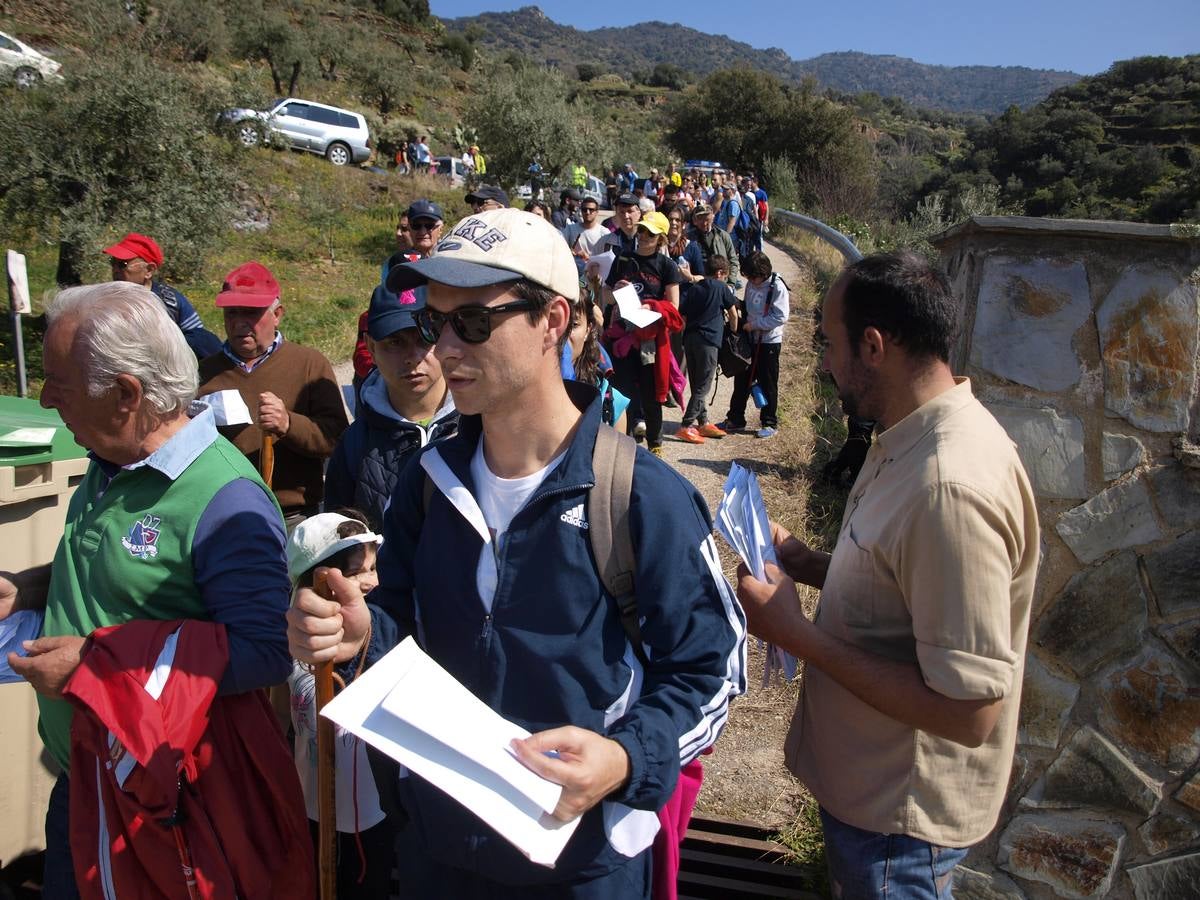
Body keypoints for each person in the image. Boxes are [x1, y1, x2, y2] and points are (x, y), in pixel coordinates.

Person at [287, 207, 746, 899]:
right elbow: (401, 636)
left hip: (584, 865)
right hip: (436, 850)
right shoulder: (428, 484)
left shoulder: (640, 496)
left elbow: (711, 670)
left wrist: (624, 759)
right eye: (431, 323)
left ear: (552, 321)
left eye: (471, 323)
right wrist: (356, 636)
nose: (442, 348)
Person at [736, 252, 1039, 900]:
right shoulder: (910, 437)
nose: (822, 364)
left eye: (830, 344)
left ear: (873, 346)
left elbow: (969, 713)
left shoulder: (948, 485)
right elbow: (904, 584)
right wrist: (810, 563)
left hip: (897, 836)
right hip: (875, 809)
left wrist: (793, 633)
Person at [2, 282, 303, 898]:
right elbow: (117, 576)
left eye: (59, 380)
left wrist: (97, 669)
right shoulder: (111, 454)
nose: (44, 396)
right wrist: (27, 589)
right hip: (84, 781)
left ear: (125, 395)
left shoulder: (224, 500)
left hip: (159, 811)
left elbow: (265, 649)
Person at [285, 510, 395, 897]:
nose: (373, 580)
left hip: (367, 812)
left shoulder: (378, 627)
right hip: (307, 799)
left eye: (374, 567)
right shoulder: (289, 633)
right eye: (357, 571)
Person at [198, 261, 348, 527]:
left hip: (294, 517)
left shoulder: (309, 364)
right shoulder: (204, 372)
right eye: (231, 313)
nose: (239, 323)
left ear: (277, 314)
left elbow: (336, 440)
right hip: (223, 515)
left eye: (251, 313)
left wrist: (288, 424)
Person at [325, 288, 458, 531]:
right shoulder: (354, 445)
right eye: (395, 342)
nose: (412, 357)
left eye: (424, 338)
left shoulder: (484, 424)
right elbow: (339, 544)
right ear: (371, 348)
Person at [602, 210, 683, 456]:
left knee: (651, 394)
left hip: (650, 339)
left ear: (661, 239)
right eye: (642, 231)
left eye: (651, 233)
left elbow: (674, 308)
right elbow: (605, 296)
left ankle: (655, 445)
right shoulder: (623, 260)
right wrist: (615, 290)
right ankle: (623, 447)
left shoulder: (667, 266)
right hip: (622, 335)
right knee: (622, 393)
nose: (644, 236)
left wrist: (650, 306)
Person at [103, 232, 222, 359]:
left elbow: (200, 338)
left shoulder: (171, 302)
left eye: (122, 265)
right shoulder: (105, 300)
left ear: (149, 271)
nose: (115, 269)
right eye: (113, 262)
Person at [720, 251, 788, 439]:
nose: (749, 280)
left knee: (768, 383)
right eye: (747, 276)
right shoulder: (751, 284)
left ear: (762, 273)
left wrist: (755, 325)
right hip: (749, 340)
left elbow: (781, 316)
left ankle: (769, 422)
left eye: (752, 276)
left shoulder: (777, 287)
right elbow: (750, 307)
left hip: (769, 343)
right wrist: (736, 304)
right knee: (741, 380)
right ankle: (735, 419)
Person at [677, 255, 738, 445]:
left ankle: (703, 421)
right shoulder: (722, 288)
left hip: (690, 339)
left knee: (696, 383)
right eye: (725, 275)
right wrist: (734, 330)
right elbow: (733, 313)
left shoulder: (695, 289)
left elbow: (683, 315)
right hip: (709, 341)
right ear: (720, 273)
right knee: (703, 385)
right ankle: (687, 425)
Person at [688, 203, 741, 290]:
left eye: (707, 219)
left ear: (713, 218)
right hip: (697, 283)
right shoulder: (689, 238)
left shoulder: (723, 236)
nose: (704, 223)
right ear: (695, 220)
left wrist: (731, 283)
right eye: (701, 219)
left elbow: (733, 260)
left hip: (720, 283)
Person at [598, 192, 641, 256]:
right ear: (616, 215)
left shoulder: (648, 240)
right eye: (621, 212)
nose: (626, 216)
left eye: (630, 211)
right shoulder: (606, 241)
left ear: (639, 213)